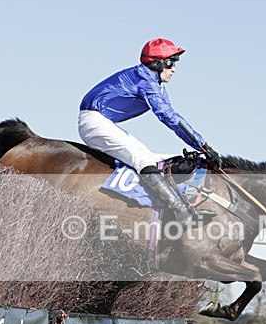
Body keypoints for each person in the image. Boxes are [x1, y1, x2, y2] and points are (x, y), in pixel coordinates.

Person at [78, 38, 220, 224]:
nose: (173, 69)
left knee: (155, 160)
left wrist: (201, 147)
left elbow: (173, 116)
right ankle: (181, 212)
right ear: (157, 63)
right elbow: (168, 117)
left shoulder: (155, 84)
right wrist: (202, 145)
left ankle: (177, 205)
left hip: (101, 121)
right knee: (144, 160)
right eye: (170, 64)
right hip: (93, 122)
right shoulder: (146, 81)